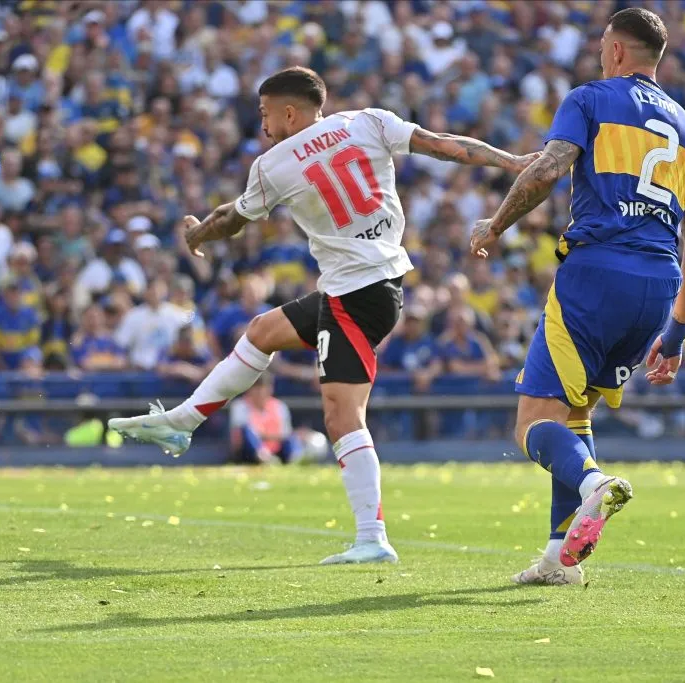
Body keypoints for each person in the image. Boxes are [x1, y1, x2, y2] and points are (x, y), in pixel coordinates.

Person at [110, 66, 535, 565]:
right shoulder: (368, 121)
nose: (264, 126)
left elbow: (231, 221)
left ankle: (372, 537)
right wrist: (514, 162)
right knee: (262, 331)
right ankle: (183, 421)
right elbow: (445, 145)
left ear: (290, 112)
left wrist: (198, 234)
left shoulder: (274, 164)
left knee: (341, 415)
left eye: (267, 114)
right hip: (376, 283)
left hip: (353, 295)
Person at [469, 9, 685, 586]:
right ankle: (559, 559)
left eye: (604, 46)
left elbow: (548, 169)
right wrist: (675, 337)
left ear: (617, 51)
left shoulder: (590, 98)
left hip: (595, 273)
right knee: (575, 410)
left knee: (532, 423)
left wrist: (495, 226)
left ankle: (594, 483)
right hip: (658, 286)